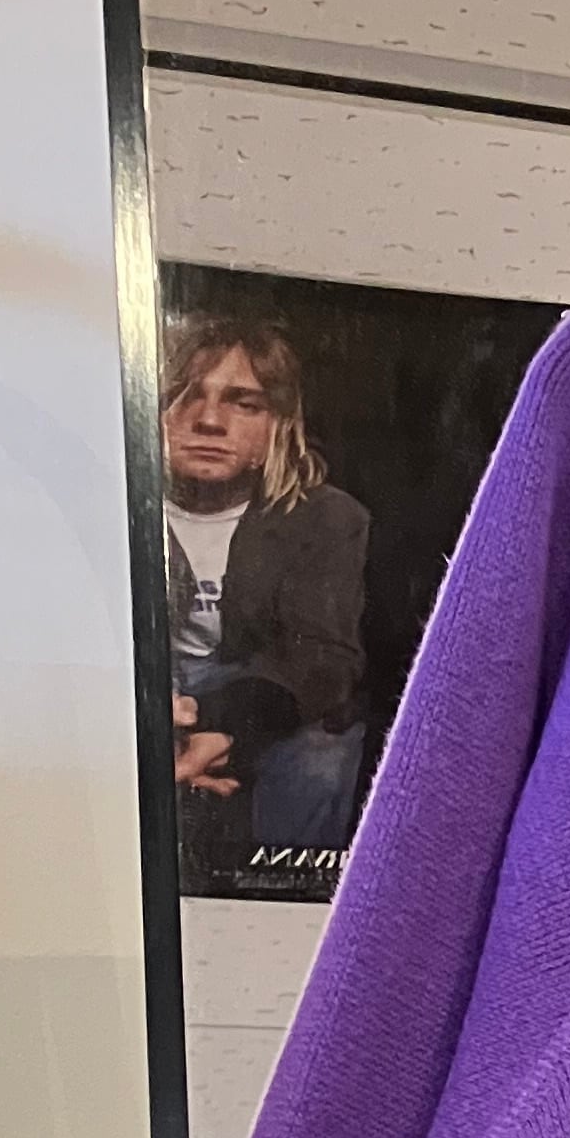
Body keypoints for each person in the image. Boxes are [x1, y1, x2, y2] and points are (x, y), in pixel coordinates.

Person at [158, 315, 369, 890]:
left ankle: (283, 907)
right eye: (186, 396)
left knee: (323, 756)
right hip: (145, 691)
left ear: (278, 424)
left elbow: (324, 661)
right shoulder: (111, 502)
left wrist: (218, 727)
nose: (209, 420)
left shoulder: (326, 519)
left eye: (243, 403)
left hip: (250, 690)